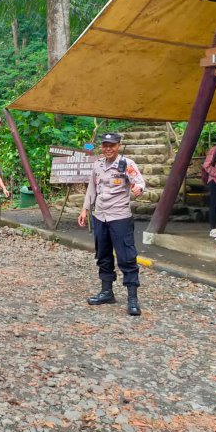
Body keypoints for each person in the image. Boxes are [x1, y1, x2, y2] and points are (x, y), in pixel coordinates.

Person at [77, 132, 146, 316]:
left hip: (120, 216)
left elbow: (139, 183)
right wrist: (85, 209)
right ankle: (106, 292)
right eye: (105, 145)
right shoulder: (98, 164)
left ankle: (132, 298)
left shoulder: (126, 164)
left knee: (126, 257)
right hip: (100, 215)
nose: (108, 148)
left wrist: (138, 190)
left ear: (119, 146)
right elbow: (92, 188)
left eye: (112, 145)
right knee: (103, 254)